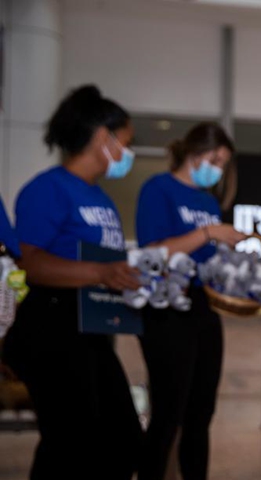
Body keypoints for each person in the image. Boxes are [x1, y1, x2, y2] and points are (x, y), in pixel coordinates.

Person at [1, 85, 143, 480]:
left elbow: (105, 262)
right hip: (52, 327)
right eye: (126, 143)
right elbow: (31, 262)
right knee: (70, 445)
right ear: (103, 137)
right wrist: (101, 272)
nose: (127, 154)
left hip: (90, 328)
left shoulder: (101, 198)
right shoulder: (47, 189)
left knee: (123, 439)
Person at [135, 122, 246, 480]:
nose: (217, 169)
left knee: (201, 414)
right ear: (194, 152)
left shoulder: (208, 201)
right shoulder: (158, 189)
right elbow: (153, 251)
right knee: (168, 414)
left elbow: (204, 257)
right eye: (214, 159)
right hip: (166, 307)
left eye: (223, 163)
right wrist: (208, 232)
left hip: (202, 306)